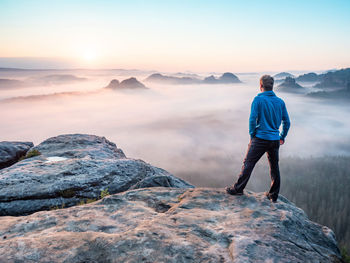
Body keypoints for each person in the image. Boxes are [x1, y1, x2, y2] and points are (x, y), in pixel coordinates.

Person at [226, 75, 290, 202]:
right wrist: (282, 137)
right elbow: (287, 122)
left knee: (248, 163)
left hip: (260, 138)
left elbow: (252, 119)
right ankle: (273, 195)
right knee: (274, 167)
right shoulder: (280, 102)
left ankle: (238, 189)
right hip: (274, 139)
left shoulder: (258, 100)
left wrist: (252, 135)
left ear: (261, 86)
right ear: (272, 86)